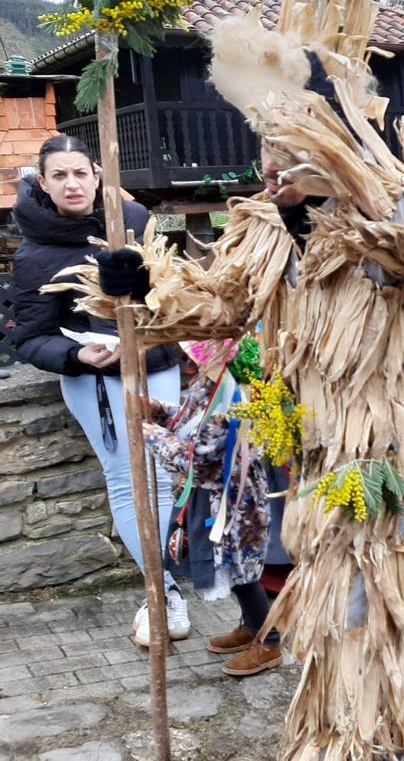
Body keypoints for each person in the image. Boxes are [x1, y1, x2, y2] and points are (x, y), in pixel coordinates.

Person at [74, 0, 404, 755]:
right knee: (348, 592)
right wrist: (143, 287)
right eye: (265, 143)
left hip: (395, 447)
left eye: (283, 144)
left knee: (372, 588)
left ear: (331, 138)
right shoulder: (262, 224)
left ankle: (381, 723)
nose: (264, 164)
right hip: (316, 437)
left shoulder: (403, 204)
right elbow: (220, 300)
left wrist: (325, 197)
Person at [9, 134, 190, 645]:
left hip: (155, 366)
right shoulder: (35, 253)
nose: (72, 184)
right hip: (96, 383)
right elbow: (29, 337)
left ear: (97, 173)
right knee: (127, 481)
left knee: (164, 478)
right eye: (59, 175)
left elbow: (170, 291)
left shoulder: (132, 223)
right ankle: (165, 595)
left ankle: (165, 585)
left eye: (80, 172)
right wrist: (76, 355)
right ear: (43, 183)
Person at [142, 337, 286, 677]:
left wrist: (153, 437)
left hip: (235, 503)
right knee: (237, 572)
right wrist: (160, 412)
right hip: (215, 499)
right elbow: (190, 423)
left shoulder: (233, 396)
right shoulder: (209, 384)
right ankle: (252, 627)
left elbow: (201, 460)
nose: (189, 357)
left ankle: (269, 643)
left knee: (243, 572)